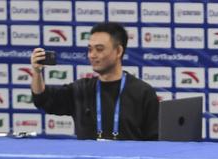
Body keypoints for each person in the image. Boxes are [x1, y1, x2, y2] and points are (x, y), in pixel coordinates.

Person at [30, 22, 158, 140]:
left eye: (99, 49)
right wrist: (37, 72)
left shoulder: (143, 92)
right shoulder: (80, 89)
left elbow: (154, 139)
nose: (92, 55)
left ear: (118, 51)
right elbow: (43, 99)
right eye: (90, 49)